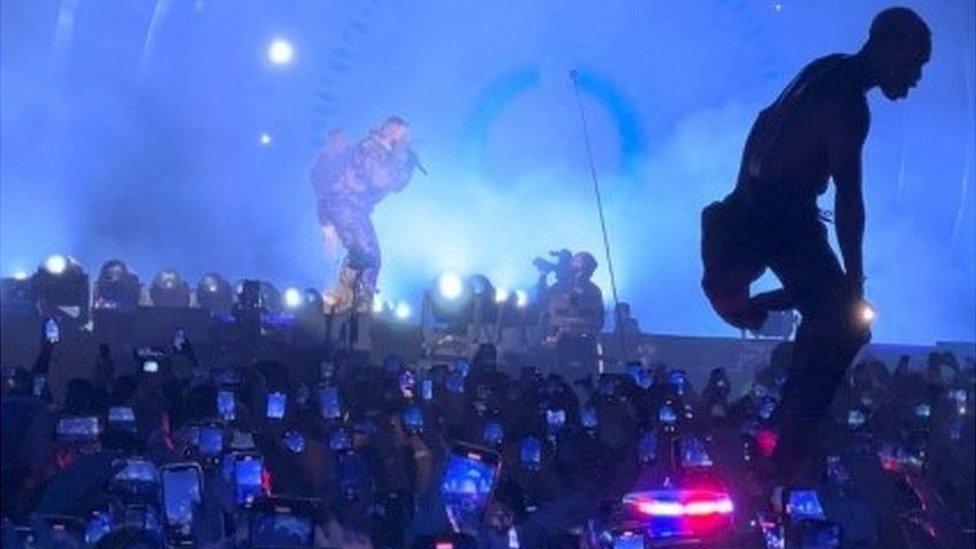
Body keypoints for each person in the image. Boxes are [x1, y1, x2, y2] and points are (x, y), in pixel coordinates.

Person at [700, 7, 931, 487]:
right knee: (846, 323)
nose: (915, 80)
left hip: (762, 211)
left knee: (829, 312)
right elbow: (849, 198)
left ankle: (786, 425)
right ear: (888, 48)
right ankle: (787, 441)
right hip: (778, 216)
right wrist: (855, 278)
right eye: (913, 64)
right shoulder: (848, 102)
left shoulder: (824, 68)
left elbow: (767, 126)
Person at [310, 117, 421, 309]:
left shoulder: (383, 152)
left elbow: (396, 185)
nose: (407, 140)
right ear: (392, 132)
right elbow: (380, 180)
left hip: (352, 209)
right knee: (367, 256)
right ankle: (354, 305)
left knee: (364, 256)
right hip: (345, 206)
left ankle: (349, 303)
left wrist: (408, 167)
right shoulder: (371, 148)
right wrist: (399, 160)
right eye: (404, 135)